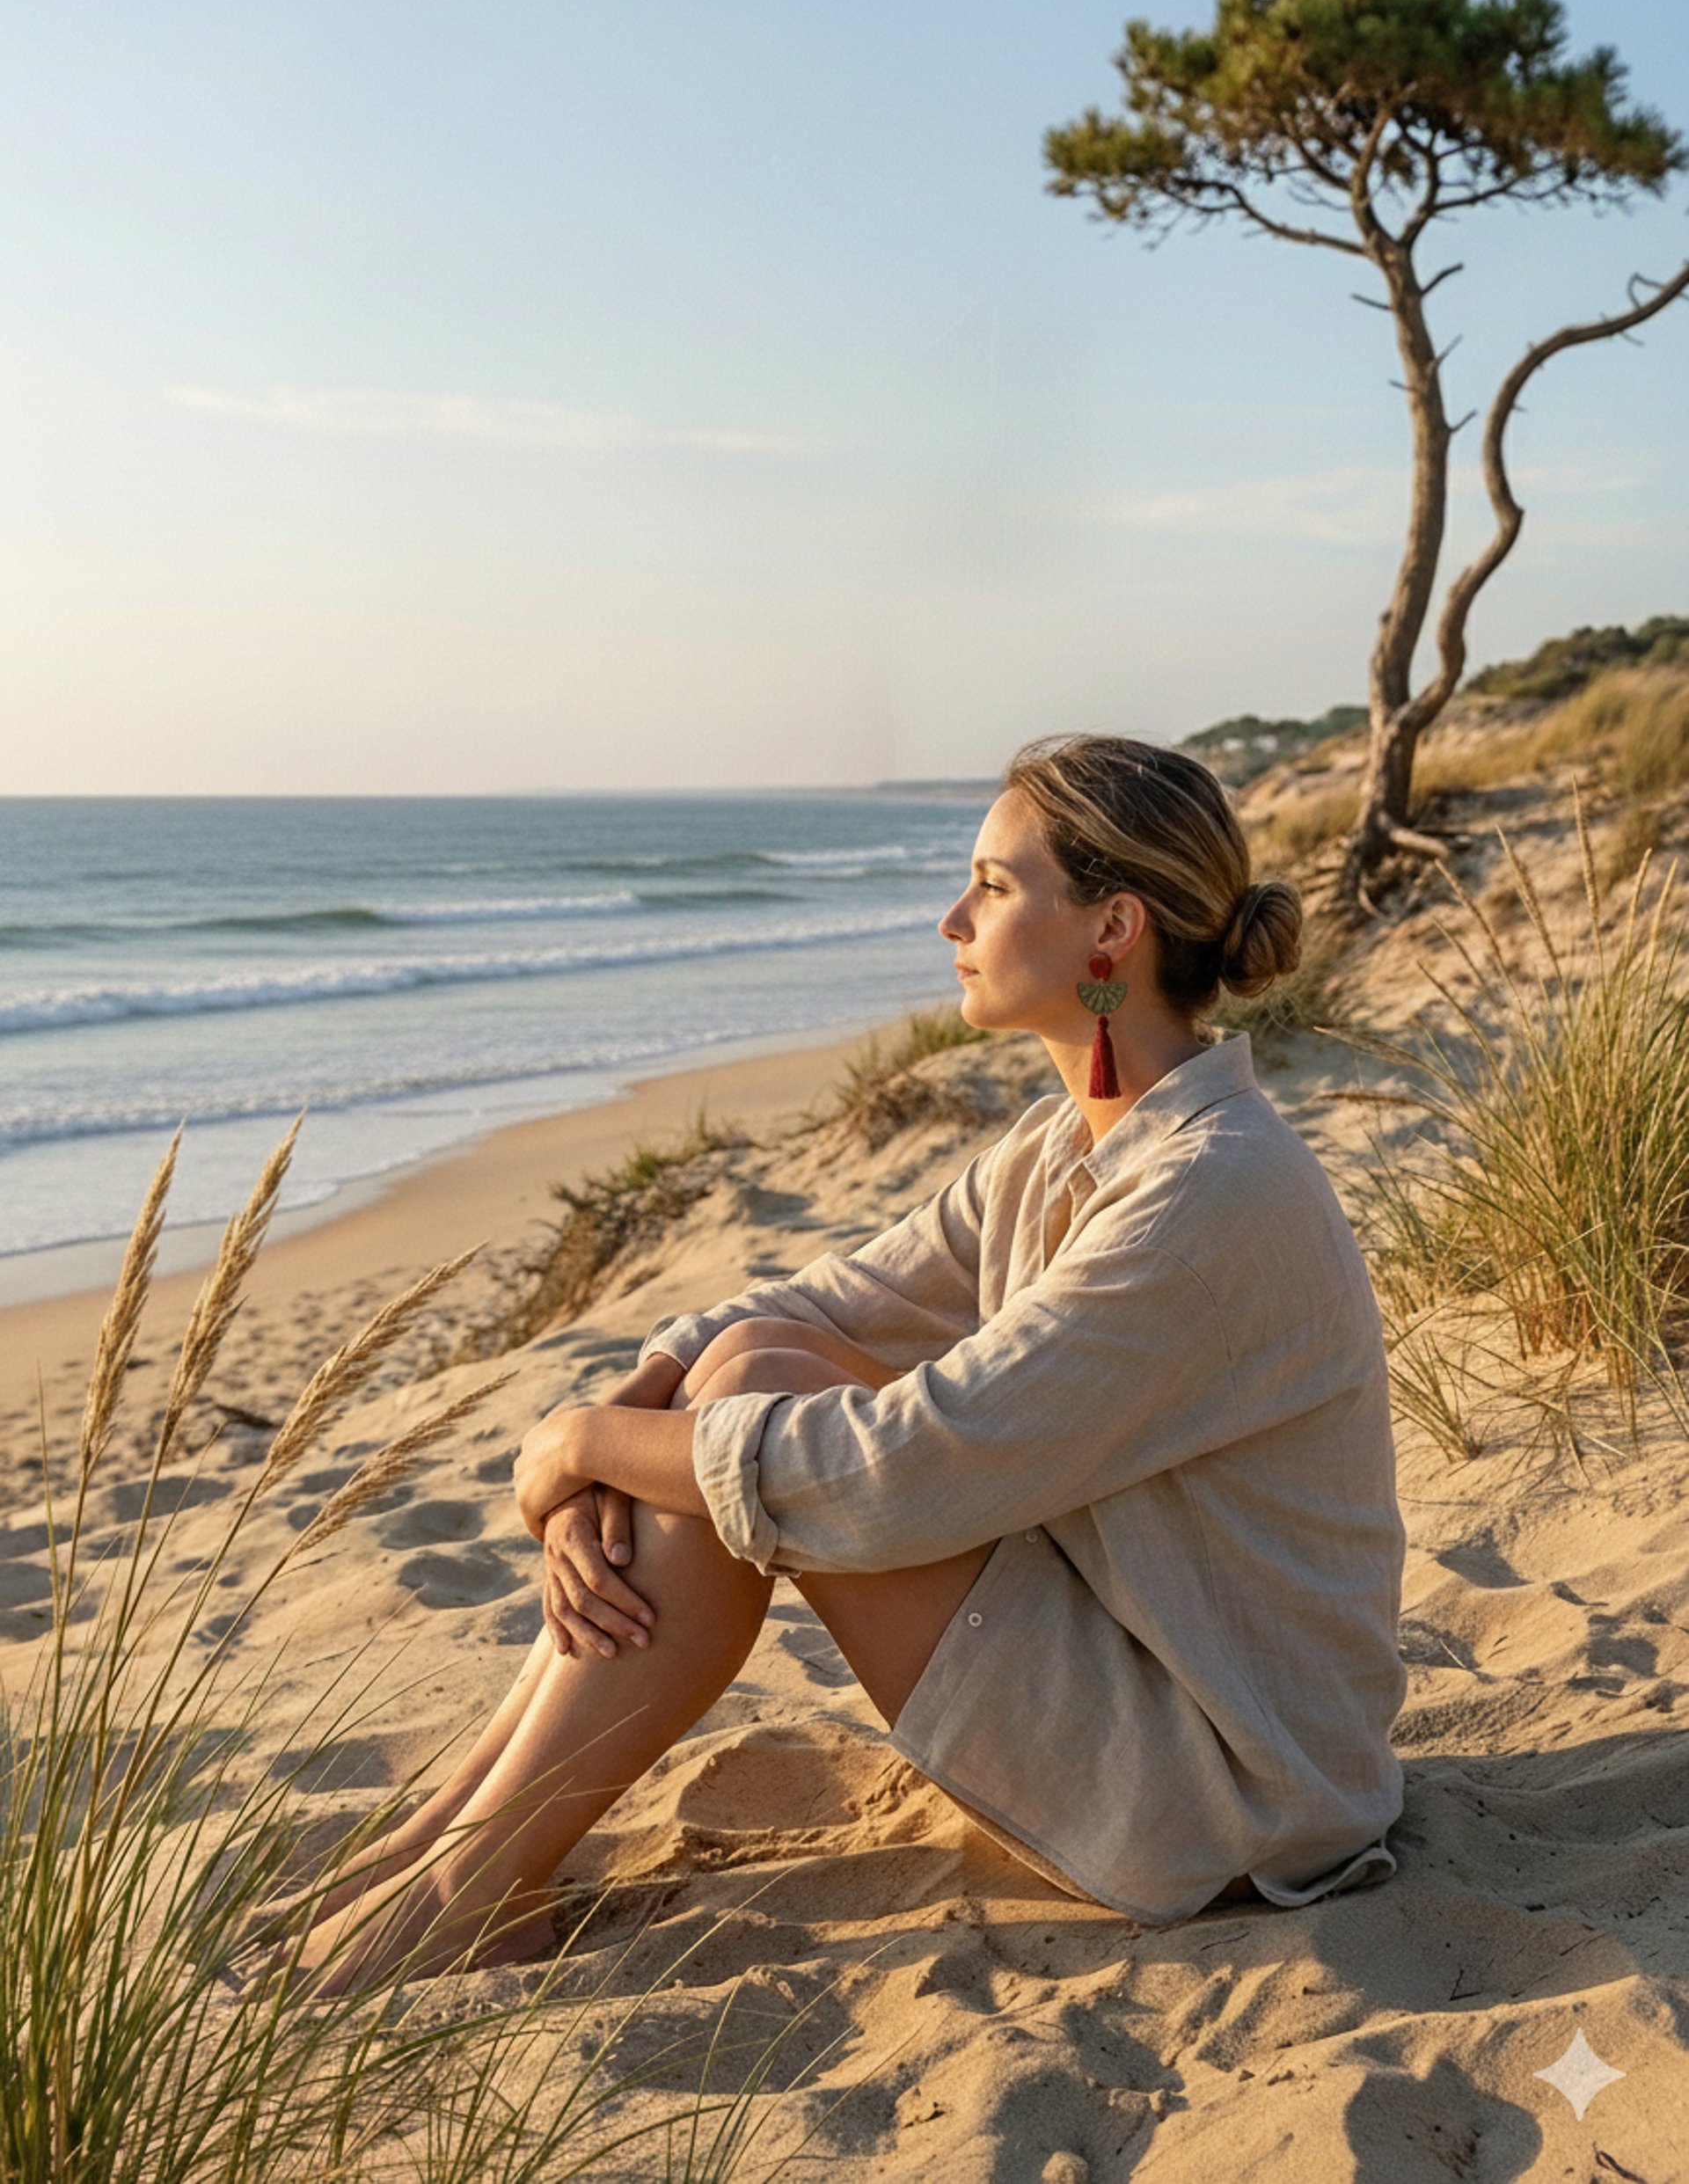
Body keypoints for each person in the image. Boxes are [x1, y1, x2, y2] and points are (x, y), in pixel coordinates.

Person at [302, 734, 1408, 1991]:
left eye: (993, 887)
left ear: (1112, 929)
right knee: (746, 1365)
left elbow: (894, 1475)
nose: (953, 918)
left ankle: (471, 1883)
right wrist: (624, 1402)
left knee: (753, 1423)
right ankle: (459, 1839)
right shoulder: (1068, 1146)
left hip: (1232, 1793)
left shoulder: (1207, 1197)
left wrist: (585, 1450)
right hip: (1152, 1666)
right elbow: (838, 1301)